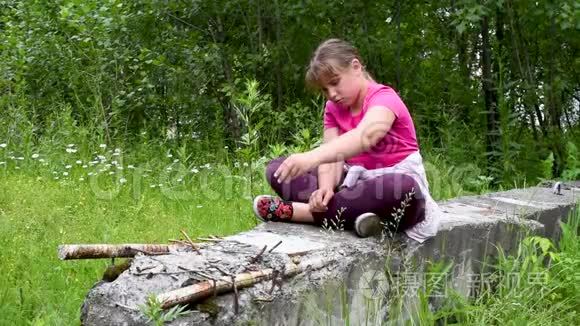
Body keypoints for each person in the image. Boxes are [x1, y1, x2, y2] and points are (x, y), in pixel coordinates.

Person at [252, 38, 440, 242]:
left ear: (356, 67)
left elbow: (365, 136)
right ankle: (356, 217)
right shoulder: (333, 108)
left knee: (403, 187)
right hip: (353, 188)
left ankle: (304, 213)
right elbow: (332, 156)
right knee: (279, 169)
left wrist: (310, 157)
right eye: (325, 89)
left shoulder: (385, 98)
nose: (331, 94)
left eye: (335, 83)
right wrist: (324, 188)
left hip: (393, 190)